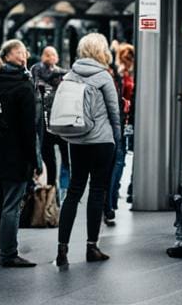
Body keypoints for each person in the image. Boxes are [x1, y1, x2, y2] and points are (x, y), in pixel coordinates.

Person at [56, 33, 122, 267]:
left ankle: (62, 249)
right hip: (102, 141)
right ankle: (91, 247)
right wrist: (118, 138)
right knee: (97, 191)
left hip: (77, 140)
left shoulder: (69, 75)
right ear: (101, 51)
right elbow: (115, 113)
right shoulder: (104, 77)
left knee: (74, 191)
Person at [0, 39, 39, 267]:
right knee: (11, 205)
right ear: (7, 57)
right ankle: (9, 254)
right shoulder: (24, 86)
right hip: (15, 155)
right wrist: (33, 160)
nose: (24, 56)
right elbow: (28, 128)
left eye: (24, 51)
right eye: (19, 52)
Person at [31, 46, 69, 195]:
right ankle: (59, 190)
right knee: (61, 158)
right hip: (57, 120)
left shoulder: (37, 71)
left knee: (51, 158)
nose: (51, 57)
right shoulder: (62, 74)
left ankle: (53, 189)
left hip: (46, 121)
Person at [105, 42, 135, 227]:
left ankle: (112, 200)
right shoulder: (120, 74)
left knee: (119, 161)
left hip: (122, 120)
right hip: (120, 121)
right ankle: (111, 201)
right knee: (118, 161)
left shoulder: (120, 73)